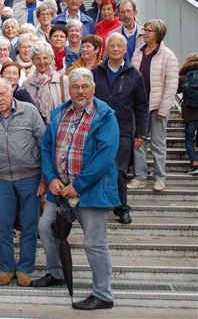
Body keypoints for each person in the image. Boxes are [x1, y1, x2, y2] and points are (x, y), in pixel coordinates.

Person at [32, 68, 120, 311]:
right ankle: (56, 272)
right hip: (59, 190)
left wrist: (77, 186)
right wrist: (50, 177)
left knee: (95, 243)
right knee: (46, 227)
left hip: (89, 192)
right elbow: (47, 147)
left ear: (93, 88)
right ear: (68, 89)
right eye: (75, 87)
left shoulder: (105, 116)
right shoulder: (60, 112)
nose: (80, 91)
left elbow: (105, 156)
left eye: (85, 86)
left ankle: (102, 294)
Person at [0, 78, 46, 287]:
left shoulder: (30, 111)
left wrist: (45, 177)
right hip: (1, 180)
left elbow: (43, 143)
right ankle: (7, 268)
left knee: (29, 224)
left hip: (30, 177)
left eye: (3, 94)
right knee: (4, 226)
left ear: (12, 92)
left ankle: (26, 268)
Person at [93, 33, 149, 225]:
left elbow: (142, 106)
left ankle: (121, 208)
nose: (115, 49)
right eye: (112, 46)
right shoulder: (95, 72)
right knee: (96, 168)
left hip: (122, 130)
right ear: (106, 49)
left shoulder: (134, 74)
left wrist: (141, 132)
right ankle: (97, 206)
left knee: (118, 171)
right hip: (97, 130)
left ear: (126, 49)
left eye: (119, 46)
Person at [128, 19, 179, 192]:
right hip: (139, 106)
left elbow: (172, 84)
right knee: (138, 142)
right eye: (145, 30)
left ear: (158, 34)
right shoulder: (137, 53)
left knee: (158, 143)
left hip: (157, 106)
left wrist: (164, 109)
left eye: (148, 30)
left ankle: (160, 177)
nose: (144, 32)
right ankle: (140, 176)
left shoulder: (168, 55)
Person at [23, 41, 70, 124]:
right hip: (36, 130)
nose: (41, 62)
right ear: (33, 61)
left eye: (45, 58)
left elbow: (69, 107)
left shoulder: (63, 80)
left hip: (58, 128)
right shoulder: (27, 84)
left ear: (51, 59)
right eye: (38, 58)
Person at [178, 53, 198, 175]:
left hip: (190, 113)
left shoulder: (184, 77)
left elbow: (177, 90)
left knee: (189, 139)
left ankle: (195, 164)